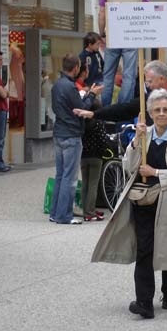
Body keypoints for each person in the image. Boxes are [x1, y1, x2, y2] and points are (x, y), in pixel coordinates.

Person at [91, 89, 167, 319]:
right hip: (143, 200)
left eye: (165, 110)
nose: (161, 114)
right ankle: (144, 302)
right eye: (156, 110)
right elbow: (128, 166)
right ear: (150, 113)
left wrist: (156, 172)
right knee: (145, 250)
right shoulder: (144, 135)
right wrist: (135, 142)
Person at [50, 55, 103, 225]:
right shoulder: (70, 86)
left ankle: (55, 213)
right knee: (69, 178)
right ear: (75, 68)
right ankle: (64, 216)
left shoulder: (57, 85)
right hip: (71, 134)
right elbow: (82, 108)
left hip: (59, 133)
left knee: (60, 175)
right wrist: (92, 94)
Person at [74, 61, 167, 133]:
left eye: (150, 81)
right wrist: (94, 114)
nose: (147, 85)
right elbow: (123, 109)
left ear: (161, 79)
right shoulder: (147, 99)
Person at [80, 101, 106, 222]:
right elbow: (102, 139)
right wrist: (104, 150)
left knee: (85, 184)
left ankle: (85, 210)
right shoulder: (98, 123)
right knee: (93, 185)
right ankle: (90, 212)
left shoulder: (82, 123)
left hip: (83, 156)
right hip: (96, 156)